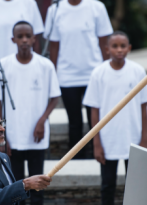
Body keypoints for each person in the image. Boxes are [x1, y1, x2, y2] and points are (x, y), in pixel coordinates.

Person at [0, 21, 60, 205]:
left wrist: (42, 120)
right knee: (16, 186)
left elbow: (54, 96)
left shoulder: (45, 65)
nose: (25, 40)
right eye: (20, 36)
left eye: (28, 35)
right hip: (13, 137)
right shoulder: (4, 64)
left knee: (38, 184)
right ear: (13, 40)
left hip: (37, 137)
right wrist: (2, 134)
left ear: (34, 38)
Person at [83, 31, 147, 205]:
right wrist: (96, 142)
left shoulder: (137, 71)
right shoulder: (99, 73)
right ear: (107, 49)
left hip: (133, 136)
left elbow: (143, 107)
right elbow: (94, 110)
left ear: (129, 48)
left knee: (135, 186)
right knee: (107, 185)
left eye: (123, 46)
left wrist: (144, 139)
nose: (119, 50)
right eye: (115, 46)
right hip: (108, 138)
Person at [44, 0, 113, 158]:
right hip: (67, 76)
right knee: (74, 121)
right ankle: (76, 158)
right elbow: (54, 46)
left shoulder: (97, 7)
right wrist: (53, 75)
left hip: (93, 74)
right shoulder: (55, 10)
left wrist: (106, 71)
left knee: (95, 120)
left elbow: (104, 43)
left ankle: (98, 155)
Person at [0, 0, 44, 96]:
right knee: (1, 108)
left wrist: (38, 71)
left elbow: (36, 42)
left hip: (27, 69)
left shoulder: (29, 3)